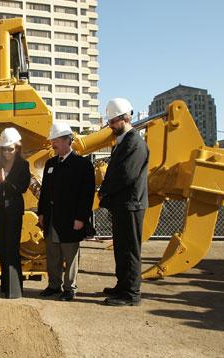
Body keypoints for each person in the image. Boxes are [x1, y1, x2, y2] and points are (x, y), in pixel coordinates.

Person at [98, 98, 149, 306]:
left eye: (112, 122)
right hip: (124, 205)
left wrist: (105, 191)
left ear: (125, 119)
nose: (110, 126)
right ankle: (123, 285)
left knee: (130, 250)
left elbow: (126, 175)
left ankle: (131, 294)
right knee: (121, 247)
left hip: (131, 204)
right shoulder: (123, 143)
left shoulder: (135, 143)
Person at [37, 123, 95, 301]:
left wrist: (81, 218)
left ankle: (70, 288)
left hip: (71, 219)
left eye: (55, 141)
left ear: (67, 141)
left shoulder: (82, 165)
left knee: (70, 256)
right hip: (52, 218)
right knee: (53, 254)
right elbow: (45, 191)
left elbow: (87, 195)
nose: (52, 144)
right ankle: (54, 285)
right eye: (52, 141)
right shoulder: (50, 164)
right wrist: (41, 213)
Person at [0, 128, 31, 299]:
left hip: (14, 209)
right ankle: (5, 285)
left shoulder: (23, 165)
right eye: (4, 149)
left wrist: (4, 182)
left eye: (10, 149)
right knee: (2, 247)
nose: (7, 152)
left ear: (17, 148)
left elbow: (22, 187)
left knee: (12, 247)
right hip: (0, 209)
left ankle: (15, 290)